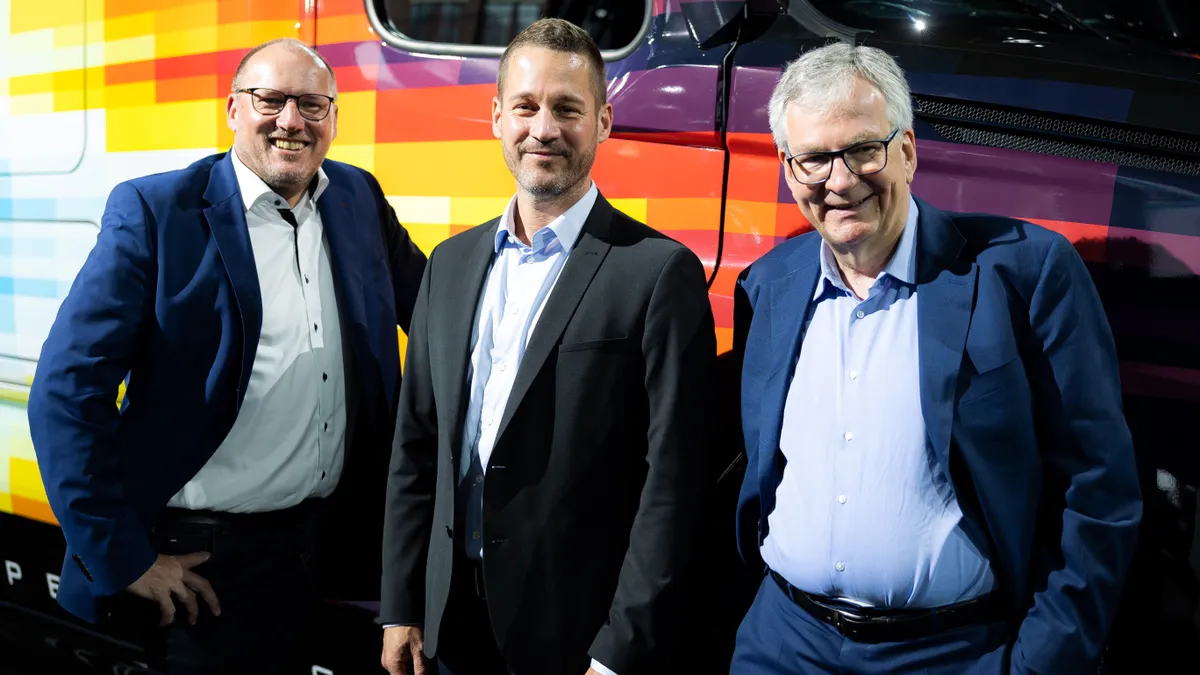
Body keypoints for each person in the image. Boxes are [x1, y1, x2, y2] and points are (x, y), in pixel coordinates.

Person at [730, 42, 1141, 675]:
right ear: (789, 170)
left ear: (908, 151)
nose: (839, 181)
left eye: (863, 149)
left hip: (952, 653)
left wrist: (1044, 661)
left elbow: (1097, 489)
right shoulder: (768, 285)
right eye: (814, 159)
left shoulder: (1025, 274)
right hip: (784, 644)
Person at [27, 37, 426, 674]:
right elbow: (65, 393)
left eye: (312, 105)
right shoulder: (157, 212)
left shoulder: (358, 199)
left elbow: (434, 313)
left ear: (333, 119)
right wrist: (123, 556)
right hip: (206, 565)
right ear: (233, 109)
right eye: (271, 100)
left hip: (331, 548)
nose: (292, 121)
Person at [378, 18, 717, 675]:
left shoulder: (656, 272)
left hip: (575, 637)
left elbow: (672, 484)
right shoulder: (448, 264)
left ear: (605, 122)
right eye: (527, 106)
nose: (544, 128)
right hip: (450, 626)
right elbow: (415, 446)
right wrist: (401, 603)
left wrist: (621, 648)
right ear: (497, 116)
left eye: (568, 108)